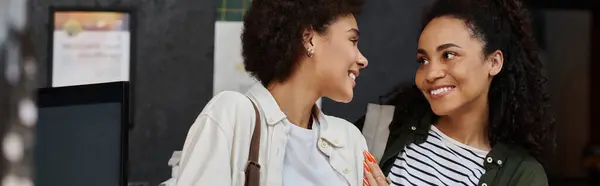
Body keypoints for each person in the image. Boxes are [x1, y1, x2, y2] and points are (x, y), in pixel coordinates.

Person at [357, 0, 555, 185]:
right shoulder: (384, 127)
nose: (431, 73)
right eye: (423, 60)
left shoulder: (523, 176)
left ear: (494, 62)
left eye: (448, 55)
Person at [175, 0, 371, 185]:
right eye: (352, 40)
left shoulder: (350, 141)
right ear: (309, 39)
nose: (363, 60)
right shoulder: (231, 116)